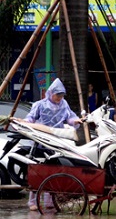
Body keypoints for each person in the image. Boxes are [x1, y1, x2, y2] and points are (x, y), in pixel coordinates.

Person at [23, 78, 84, 211]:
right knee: (38, 171)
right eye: (57, 95)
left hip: (56, 142)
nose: (59, 98)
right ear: (51, 93)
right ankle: (32, 201)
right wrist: (24, 123)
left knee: (53, 171)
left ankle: (50, 201)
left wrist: (76, 120)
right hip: (40, 142)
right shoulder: (39, 105)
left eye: (61, 95)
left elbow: (70, 117)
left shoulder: (64, 104)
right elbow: (30, 118)